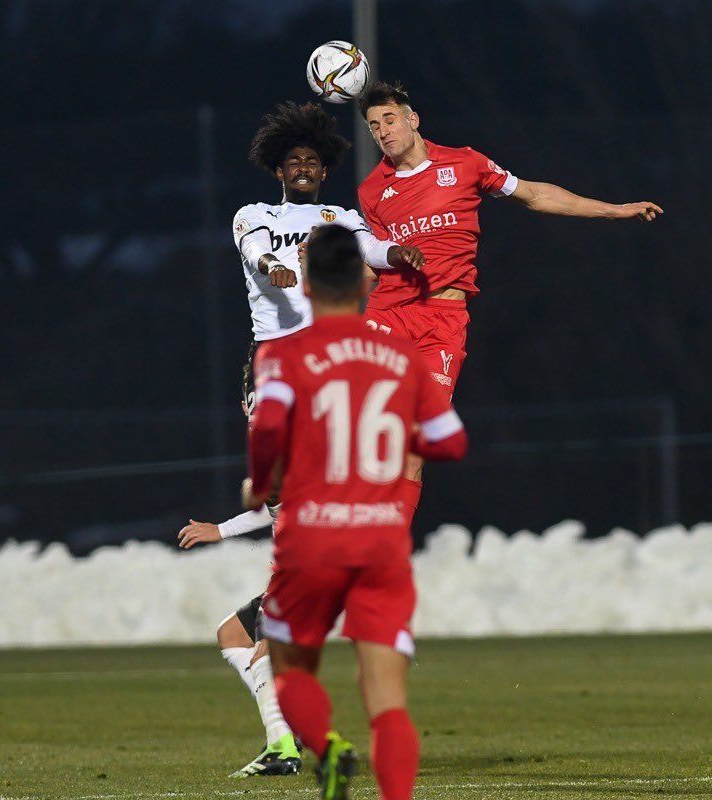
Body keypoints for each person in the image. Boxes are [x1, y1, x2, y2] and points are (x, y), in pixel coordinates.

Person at [177, 100, 423, 779]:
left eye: (314, 161)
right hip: (277, 362)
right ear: (279, 170)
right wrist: (277, 271)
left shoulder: (339, 219)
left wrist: (395, 252)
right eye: (294, 163)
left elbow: (368, 249)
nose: (305, 169)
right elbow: (257, 254)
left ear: (325, 169)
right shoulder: (254, 218)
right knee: (239, 624)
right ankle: (284, 738)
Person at [355, 80, 662, 526]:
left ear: (412, 118)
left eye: (388, 119)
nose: (382, 131)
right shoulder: (372, 191)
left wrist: (613, 210)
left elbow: (535, 195)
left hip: (443, 321)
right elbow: (373, 267)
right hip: (390, 314)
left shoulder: (465, 164)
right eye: (372, 126)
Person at [243, 224, 468, 800]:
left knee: (291, 671)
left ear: (309, 285)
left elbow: (267, 432)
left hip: (313, 537)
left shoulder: (282, 354)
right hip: (379, 542)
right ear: (366, 283)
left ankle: (329, 749)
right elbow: (449, 442)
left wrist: (258, 485)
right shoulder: (401, 356)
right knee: (388, 703)